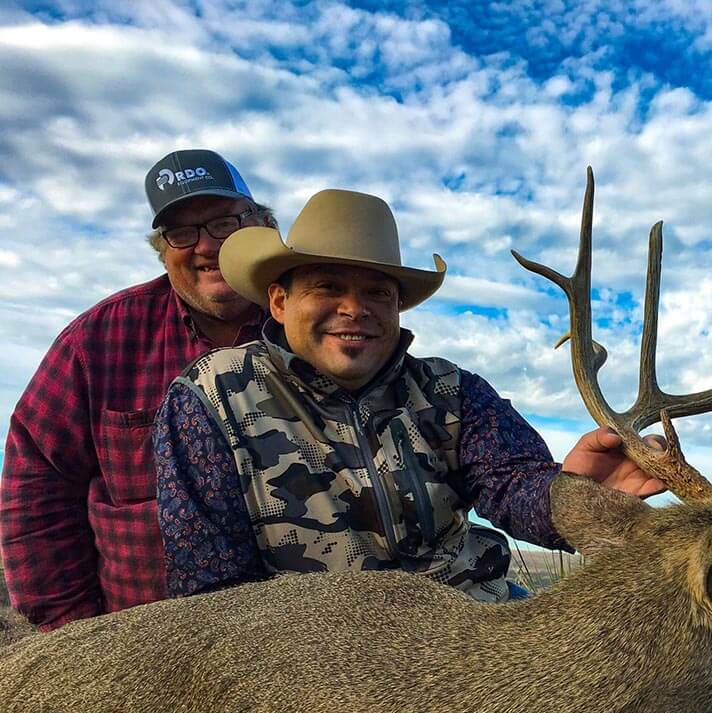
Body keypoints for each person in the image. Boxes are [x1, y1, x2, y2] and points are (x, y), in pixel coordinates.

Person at [155, 188, 664, 602]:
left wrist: (576, 496)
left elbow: (513, 486)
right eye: (328, 287)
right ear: (281, 301)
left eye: (378, 292)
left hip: (470, 634)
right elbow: (211, 591)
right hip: (312, 667)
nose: (355, 309)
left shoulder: (452, 391)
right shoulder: (211, 399)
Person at [0, 150, 275, 630]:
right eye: (182, 233)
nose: (206, 247)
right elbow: (34, 488)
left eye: (225, 223)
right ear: (162, 249)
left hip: (305, 639)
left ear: (263, 226)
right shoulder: (96, 341)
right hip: (142, 651)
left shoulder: (315, 329)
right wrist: (77, 635)